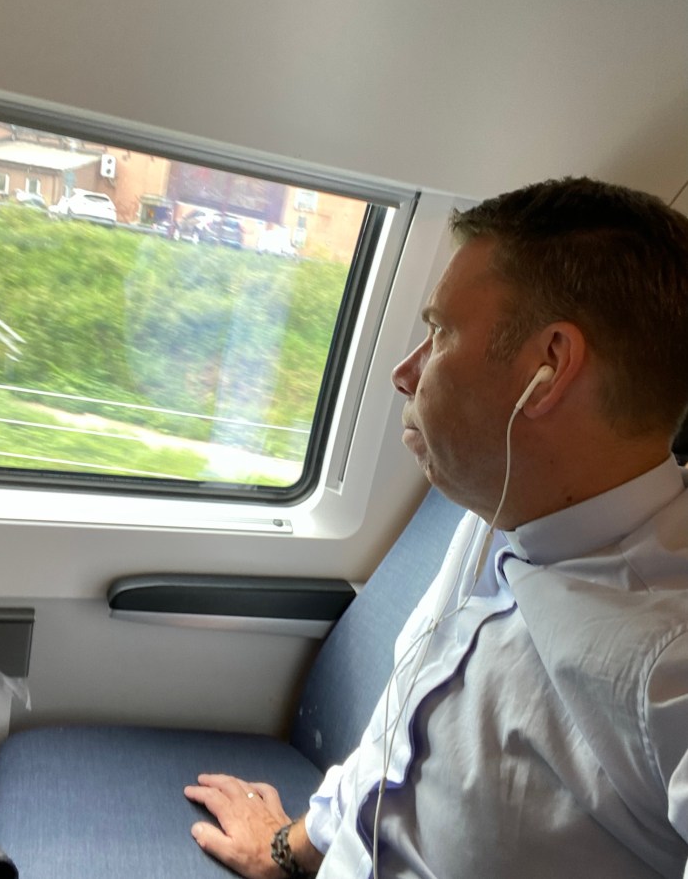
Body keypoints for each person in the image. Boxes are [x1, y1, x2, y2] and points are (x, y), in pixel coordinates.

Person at [184, 177, 688, 878]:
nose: (404, 373)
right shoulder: (497, 513)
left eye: (440, 332)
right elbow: (397, 741)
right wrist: (284, 852)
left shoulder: (669, 660)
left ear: (549, 366)